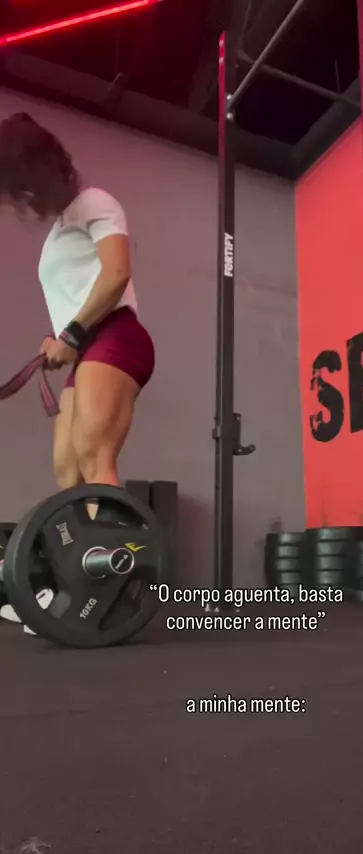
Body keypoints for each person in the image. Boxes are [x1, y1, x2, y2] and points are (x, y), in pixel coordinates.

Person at [0, 113, 155, 632]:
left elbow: (116, 274)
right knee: (67, 471)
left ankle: (117, 590)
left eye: (20, 188)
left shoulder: (95, 203)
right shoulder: (60, 229)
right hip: (85, 345)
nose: (20, 202)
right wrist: (64, 341)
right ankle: (68, 587)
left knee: (94, 456)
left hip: (115, 335)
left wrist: (69, 335)